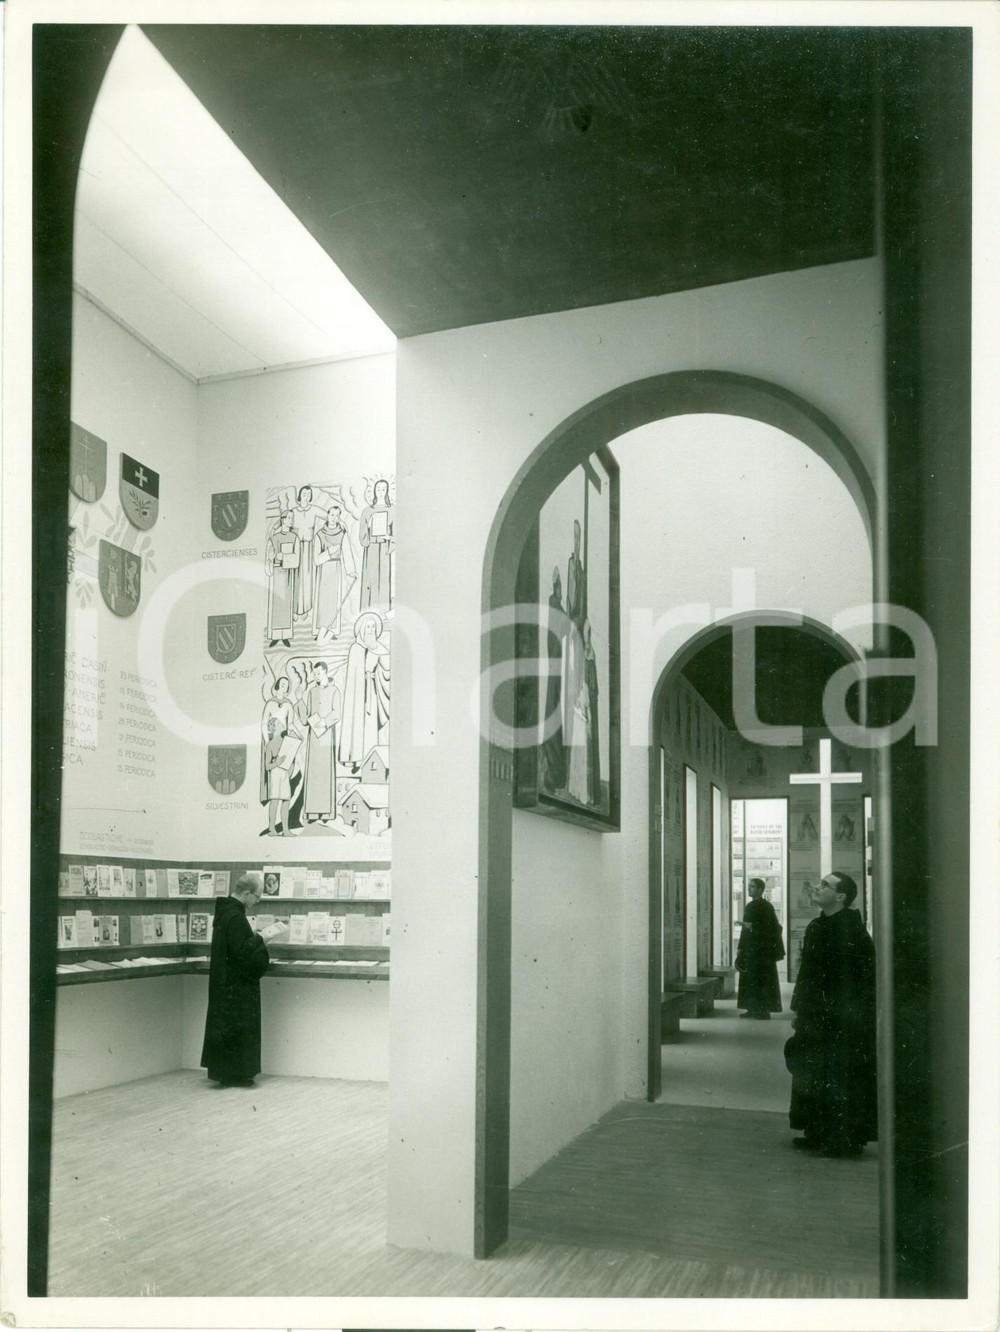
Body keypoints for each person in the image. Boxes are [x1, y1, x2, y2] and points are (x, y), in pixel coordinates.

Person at [783, 871, 877, 1157]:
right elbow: (808, 973)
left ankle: (843, 1139)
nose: (818, 887)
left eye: (826, 885)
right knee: (811, 1070)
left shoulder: (851, 931)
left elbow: (856, 981)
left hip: (841, 1018)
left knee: (839, 1074)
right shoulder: (819, 926)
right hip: (816, 1014)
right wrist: (800, 1007)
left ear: (841, 897)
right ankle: (817, 1130)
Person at [201, 874, 278, 1088]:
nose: (258, 901)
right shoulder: (236, 917)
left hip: (224, 984)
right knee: (238, 1025)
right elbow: (243, 954)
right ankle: (238, 1074)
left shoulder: (225, 913)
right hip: (237, 986)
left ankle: (226, 1073)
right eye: (257, 896)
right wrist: (262, 939)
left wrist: (252, 937)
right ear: (246, 894)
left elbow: (235, 947)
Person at [735, 878, 785, 1019]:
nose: (749, 889)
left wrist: (753, 927)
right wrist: (741, 947)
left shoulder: (766, 906)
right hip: (751, 948)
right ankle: (751, 1008)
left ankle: (763, 1010)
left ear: (760, 889)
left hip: (762, 951)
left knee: (762, 980)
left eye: (752, 886)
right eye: (749, 886)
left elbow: (775, 928)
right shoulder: (750, 905)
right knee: (749, 979)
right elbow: (745, 929)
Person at [358, 478, 394, 610]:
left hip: (384, 548)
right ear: (374, 491)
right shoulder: (367, 511)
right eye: (378, 489)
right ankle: (368, 610)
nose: (380, 492)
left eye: (383, 489)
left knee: (384, 579)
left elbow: (397, 533)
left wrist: (388, 536)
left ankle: (383, 611)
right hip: (372, 548)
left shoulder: (392, 510)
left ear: (387, 491)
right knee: (370, 579)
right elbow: (362, 537)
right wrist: (369, 526)